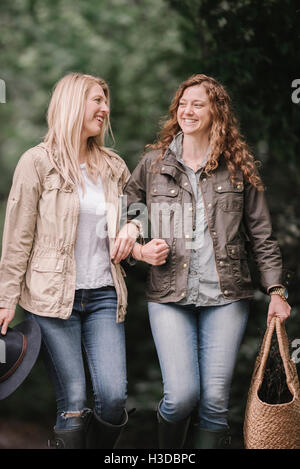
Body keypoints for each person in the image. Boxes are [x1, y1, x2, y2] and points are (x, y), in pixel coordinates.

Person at [112, 73, 291, 449]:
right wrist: (137, 237)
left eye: (199, 104)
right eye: (183, 103)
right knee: (180, 397)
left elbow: (262, 235)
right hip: (168, 295)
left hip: (227, 296)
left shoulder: (239, 168)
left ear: (217, 113)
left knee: (214, 403)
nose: (188, 110)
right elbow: (130, 211)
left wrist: (275, 289)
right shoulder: (153, 164)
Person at [0, 73, 139, 449]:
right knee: (74, 401)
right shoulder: (37, 162)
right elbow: (17, 237)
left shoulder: (113, 166)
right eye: (97, 100)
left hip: (105, 296)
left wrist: (135, 228)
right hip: (50, 300)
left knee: (112, 400)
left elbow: (138, 209)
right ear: (73, 104)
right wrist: (5, 298)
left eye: (105, 101)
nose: (105, 109)